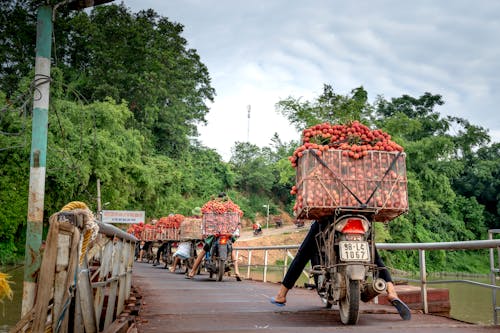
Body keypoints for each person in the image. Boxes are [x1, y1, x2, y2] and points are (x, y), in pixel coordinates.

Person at [270, 219, 411, 321]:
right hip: (363, 217)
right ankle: (392, 292)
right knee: (374, 257)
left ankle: (281, 295)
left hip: (329, 218)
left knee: (303, 253)